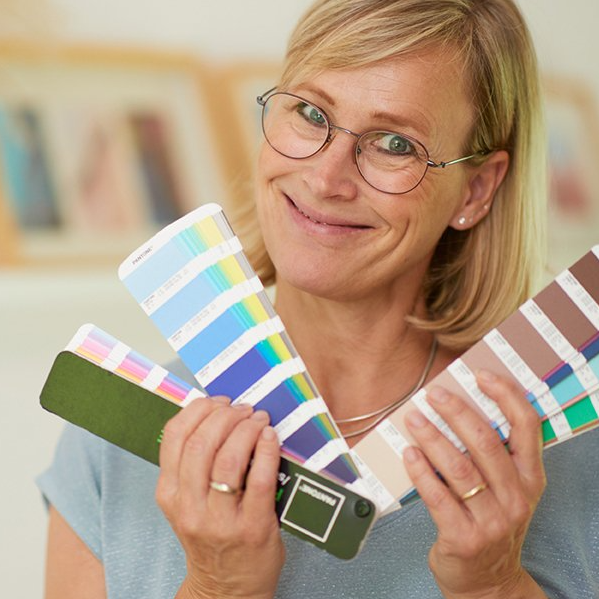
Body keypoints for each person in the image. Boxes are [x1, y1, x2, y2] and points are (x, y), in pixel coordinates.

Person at [38, 1, 599, 598]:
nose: (326, 178)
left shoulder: (571, 457)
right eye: (311, 113)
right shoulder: (115, 438)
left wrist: (493, 586)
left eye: (395, 144)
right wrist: (218, 587)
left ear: (476, 189)